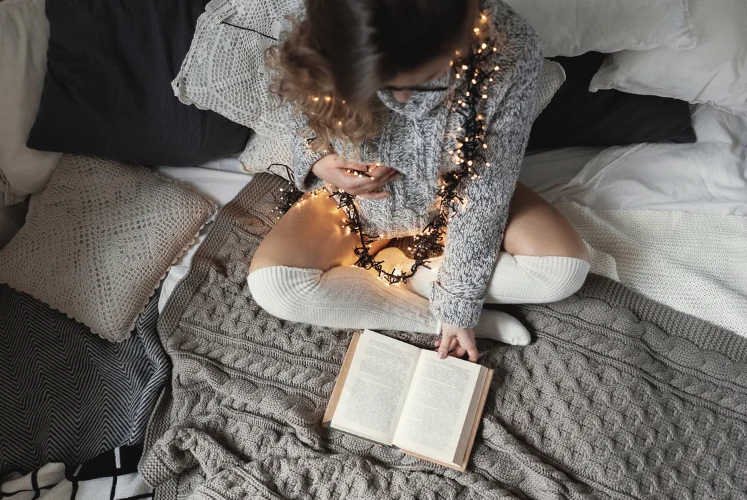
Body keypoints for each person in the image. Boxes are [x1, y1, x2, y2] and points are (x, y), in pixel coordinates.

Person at [247, 0, 590, 363]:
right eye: (386, 84)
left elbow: (488, 187)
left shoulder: (508, 47)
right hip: (349, 205)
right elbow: (298, 110)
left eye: (424, 83)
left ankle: (416, 280)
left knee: (562, 272)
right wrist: (318, 161)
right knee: (275, 287)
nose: (402, 99)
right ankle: (430, 316)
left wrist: (459, 300)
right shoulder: (324, 22)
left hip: (458, 200)